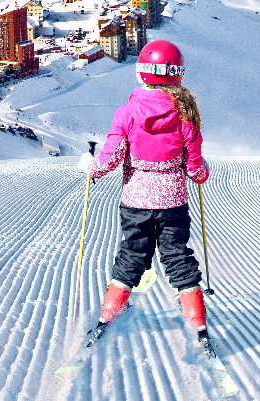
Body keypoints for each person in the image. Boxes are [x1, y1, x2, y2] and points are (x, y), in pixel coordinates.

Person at [77, 39, 210, 339]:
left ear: (142, 73)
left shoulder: (127, 113)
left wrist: (89, 166)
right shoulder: (186, 117)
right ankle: (198, 324)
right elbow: (195, 169)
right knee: (177, 257)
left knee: (133, 254)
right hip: (172, 205)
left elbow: (109, 159)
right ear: (178, 74)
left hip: (135, 203)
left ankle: (108, 318)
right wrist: (203, 174)